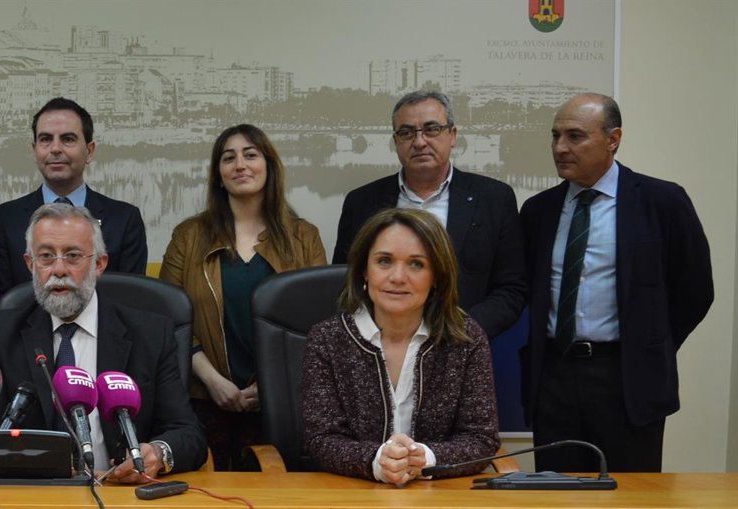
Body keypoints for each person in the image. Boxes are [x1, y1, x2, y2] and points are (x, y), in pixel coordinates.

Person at [520, 93, 712, 472]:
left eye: (575, 136)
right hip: (554, 378)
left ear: (613, 139)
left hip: (627, 379)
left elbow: (695, 290)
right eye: (556, 136)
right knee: (555, 491)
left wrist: (650, 344)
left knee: (631, 492)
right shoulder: (538, 210)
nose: (560, 147)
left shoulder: (662, 201)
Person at [0, 204, 206, 482]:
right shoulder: (3, 333)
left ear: (99, 264)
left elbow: (187, 433)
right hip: (34, 492)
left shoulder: (151, 334)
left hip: (121, 492)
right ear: (30, 264)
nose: (59, 270)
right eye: (46, 256)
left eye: (72, 256)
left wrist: (158, 453)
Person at [159, 124, 326, 471]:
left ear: (269, 167)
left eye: (251, 155)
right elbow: (169, 320)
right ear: (219, 175)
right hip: (203, 398)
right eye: (228, 158)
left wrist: (271, 384)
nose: (240, 165)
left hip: (282, 402)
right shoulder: (189, 236)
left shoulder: (304, 237)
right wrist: (212, 380)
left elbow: (318, 325)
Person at [302, 208, 499, 484]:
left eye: (416, 264)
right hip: (352, 492)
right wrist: (376, 460)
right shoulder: (327, 338)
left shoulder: (466, 338)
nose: (397, 277)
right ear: (364, 270)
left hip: (440, 496)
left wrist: (426, 458)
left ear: (437, 276)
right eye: (384, 261)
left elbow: (481, 439)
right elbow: (321, 439)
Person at [333, 90, 525, 338]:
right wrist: (374, 336)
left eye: (431, 129)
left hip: (461, 344)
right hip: (380, 344)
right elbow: (344, 282)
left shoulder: (494, 199)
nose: (420, 142)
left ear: (452, 135)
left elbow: (511, 289)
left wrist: (460, 333)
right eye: (406, 132)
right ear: (396, 141)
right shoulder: (361, 202)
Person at [0, 97, 147, 298]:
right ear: (35, 150)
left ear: (89, 151)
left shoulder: (125, 219)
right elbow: (4, 303)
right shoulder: (6, 219)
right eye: (45, 139)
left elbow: (130, 300)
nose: (55, 148)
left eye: (68, 139)